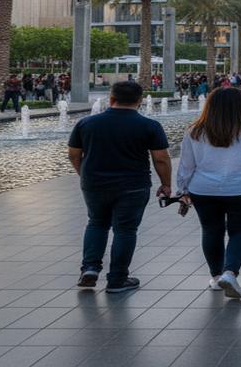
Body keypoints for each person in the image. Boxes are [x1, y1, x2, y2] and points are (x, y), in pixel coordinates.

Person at [68, 81, 171, 293]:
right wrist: (166, 184)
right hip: (133, 185)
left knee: (96, 223)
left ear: (111, 99)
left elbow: (73, 154)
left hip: (94, 184)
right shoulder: (149, 125)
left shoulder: (86, 123)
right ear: (140, 101)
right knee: (125, 230)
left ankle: (89, 269)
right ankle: (117, 279)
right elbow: (160, 158)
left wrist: (84, 175)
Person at [177, 87, 241, 299]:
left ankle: (215, 276)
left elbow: (186, 165)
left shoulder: (195, 130)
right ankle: (230, 272)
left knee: (211, 231)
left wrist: (182, 189)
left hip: (202, 189)